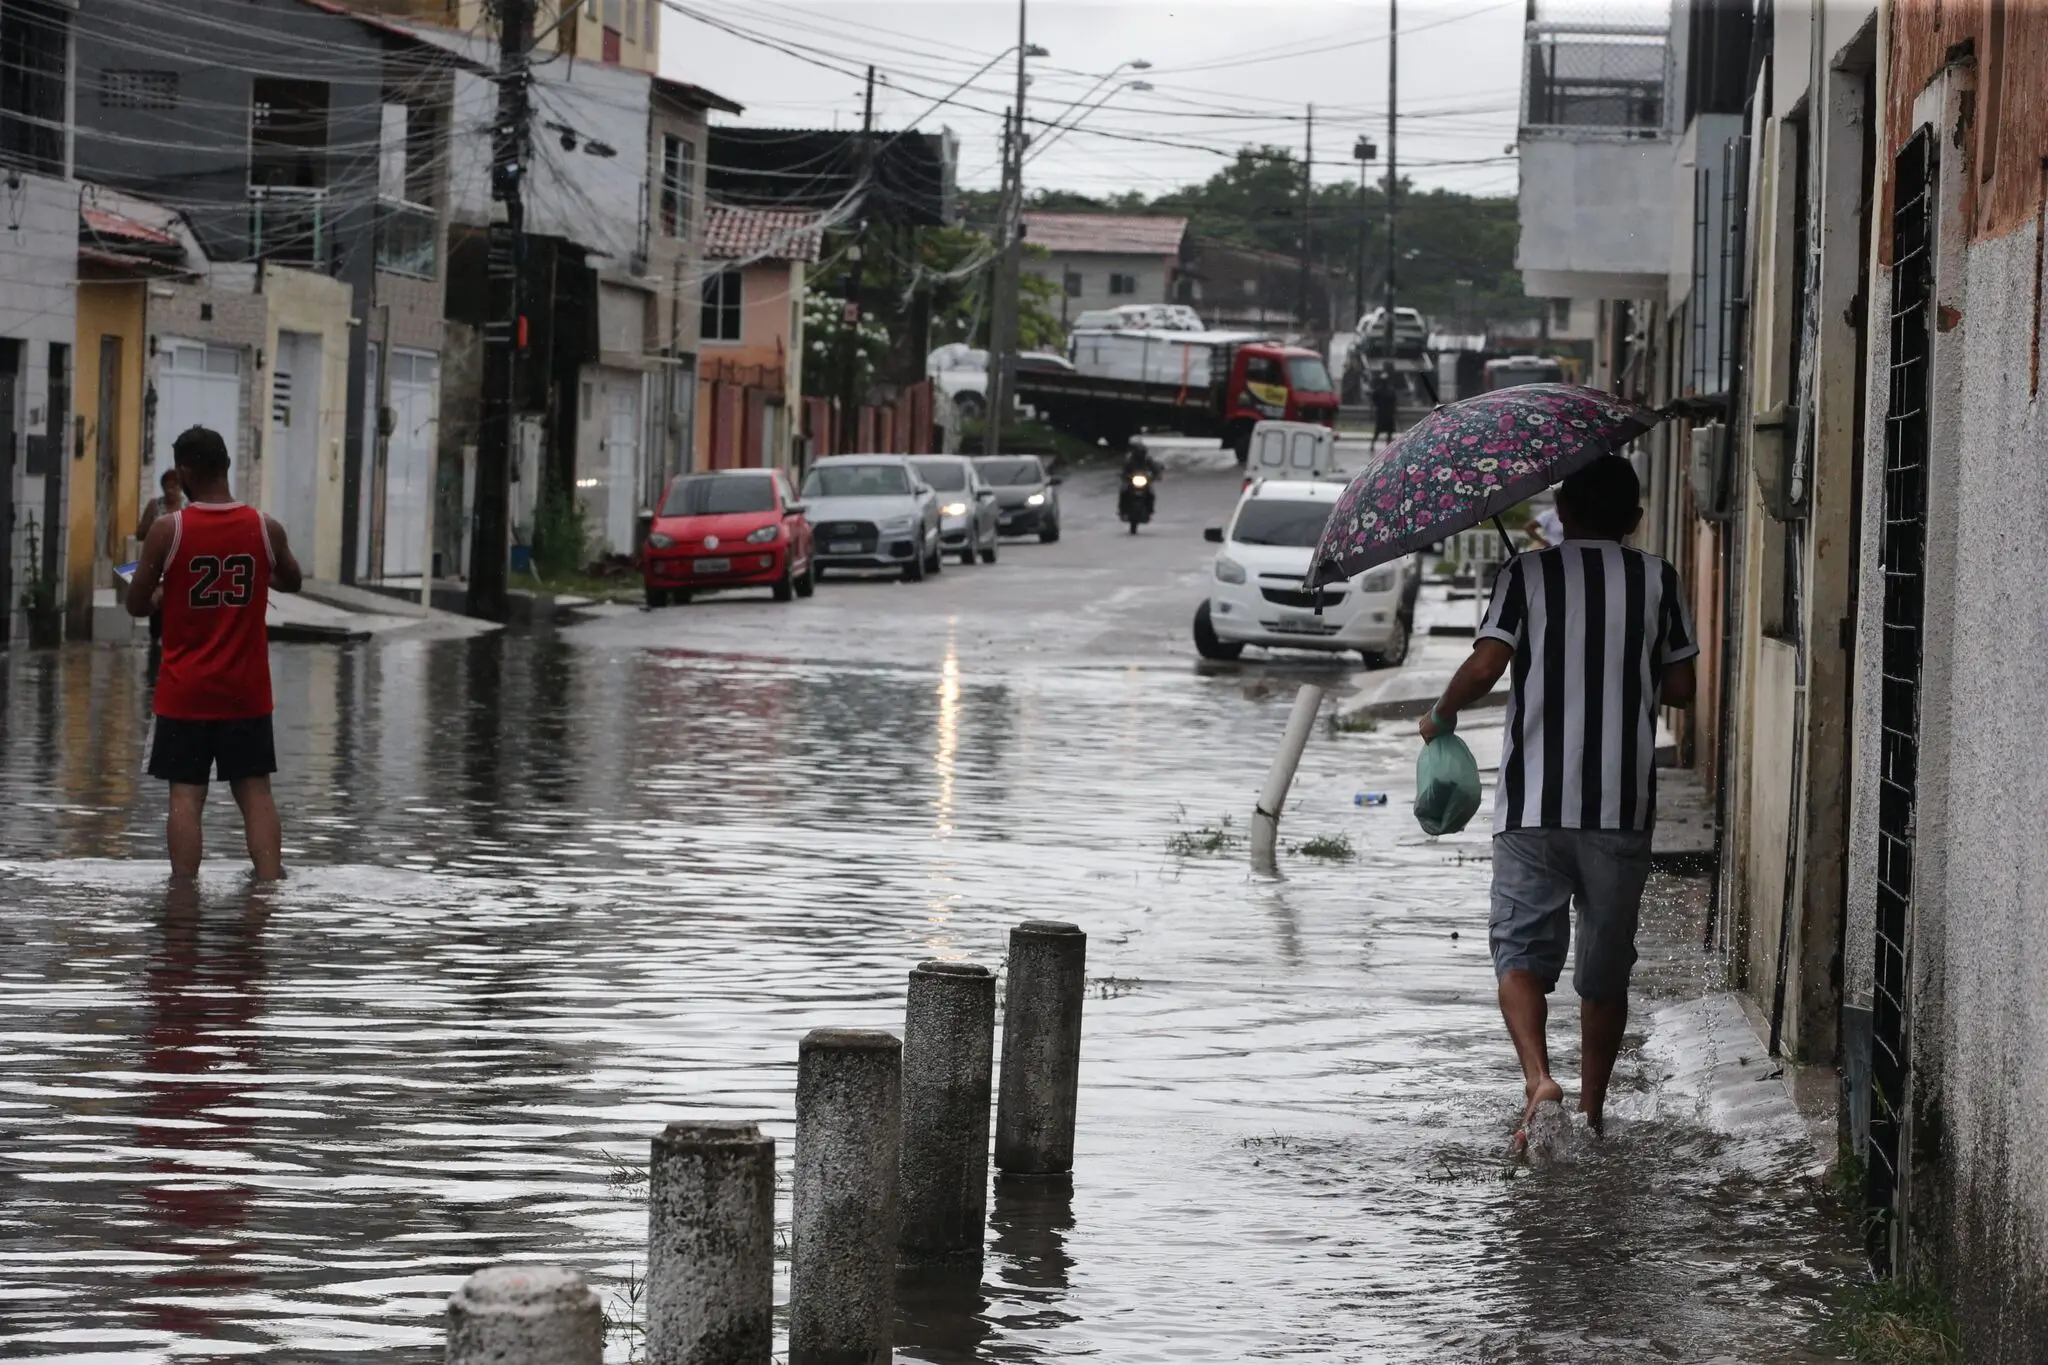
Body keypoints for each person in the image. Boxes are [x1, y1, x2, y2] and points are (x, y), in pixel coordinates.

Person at [1419, 455, 1697, 1141]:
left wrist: (1441, 712)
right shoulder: (1658, 578)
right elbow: (1684, 688)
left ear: (1562, 514)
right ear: (1634, 520)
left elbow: (1487, 664)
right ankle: (1595, 1112)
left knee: (1519, 955)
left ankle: (1538, 1078)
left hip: (1530, 807)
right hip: (1620, 807)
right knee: (1604, 972)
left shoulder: (1525, 575)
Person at [125, 426, 304, 881]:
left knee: (185, 796)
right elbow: (292, 579)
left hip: (185, 693)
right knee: (256, 793)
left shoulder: (169, 530)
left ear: (184, 472)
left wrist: (165, 593)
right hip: (246, 692)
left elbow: (136, 604)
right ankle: (267, 888)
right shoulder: (265, 528)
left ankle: (182, 897)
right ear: (226, 466)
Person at [136, 469, 186, 644]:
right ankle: (155, 643)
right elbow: (141, 533)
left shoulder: (188, 506)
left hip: (182, 564)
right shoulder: (155, 506)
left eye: (175, 486)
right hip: (158, 564)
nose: (171, 491)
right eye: (168, 487)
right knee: (157, 602)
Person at [1369, 366, 1399, 448]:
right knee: (1378, 431)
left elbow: (1394, 402)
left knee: (1388, 432)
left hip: (1386, 413)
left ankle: (1386, 446)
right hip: (1382, 413)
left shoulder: (1389, 390)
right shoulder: (1379, 391)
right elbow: (1373, 401)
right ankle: (1373, 444)